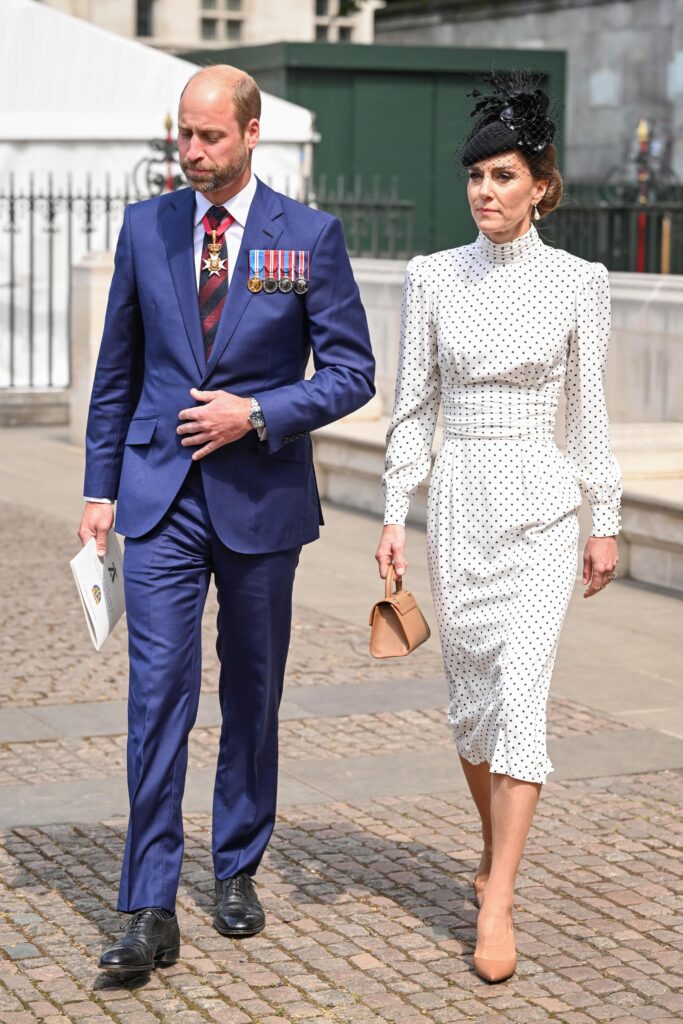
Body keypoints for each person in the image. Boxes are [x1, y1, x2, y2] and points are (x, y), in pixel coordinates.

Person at [79, 64, 375, 974]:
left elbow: (351, 373)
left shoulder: (309, 237)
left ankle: (238, 866)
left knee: (251, 695)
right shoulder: (146, 227)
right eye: (184, 133)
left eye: (210, 136)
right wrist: (98, 491)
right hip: (158, 502)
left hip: (262, 503)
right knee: (155, 696)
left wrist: (259, 413)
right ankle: (147, 905)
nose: (193, 151)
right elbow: (117, 371)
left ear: (251, 134)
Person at [375, 72, 621, 984]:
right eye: (475, 176)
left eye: (504, 175)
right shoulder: (431, 276)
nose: (485, 191)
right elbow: (412, 408)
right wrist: (395, 512)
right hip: (461, 505)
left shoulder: (578, 282)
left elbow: (590, 412)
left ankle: (497, 896)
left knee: (521, 699)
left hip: (545, 509)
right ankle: (493, 852)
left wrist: (605, 516)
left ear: (540, 186)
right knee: (475, 707)